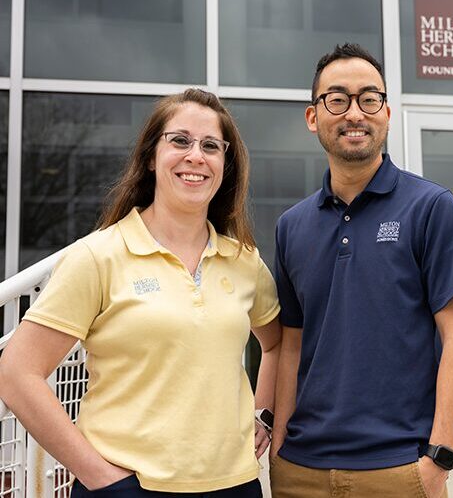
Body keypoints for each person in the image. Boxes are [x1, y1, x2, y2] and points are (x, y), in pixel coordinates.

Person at [0, 89, 280, 497]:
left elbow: (275, 345)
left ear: (225, 165)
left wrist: (265, 413)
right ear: (151, 156)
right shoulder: (98, 256)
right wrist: (99, 477)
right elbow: (17, 372)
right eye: (179, 140)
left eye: (211, 146)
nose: (195, 156)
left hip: (234, 485)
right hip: (127, 488)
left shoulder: (243, 261)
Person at [269, 43, 453, 498]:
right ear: (312, 116)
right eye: (337, 99)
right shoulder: (291, 226)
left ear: (387, 112)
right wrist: (279, 446)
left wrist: (439, 457)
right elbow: (291, 343)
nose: (355, 113)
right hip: (300, 469)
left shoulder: (431, 208)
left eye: (369, 99)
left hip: (400, 468)